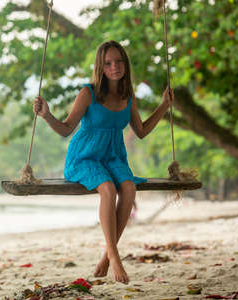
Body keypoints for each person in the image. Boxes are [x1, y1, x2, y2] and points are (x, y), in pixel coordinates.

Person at [33, 40, 173, 284]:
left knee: (129, 188)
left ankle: (107, 256)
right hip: (84, 157)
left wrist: (164, 106)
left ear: (125, 64)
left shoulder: (128, 96)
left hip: (113, 156)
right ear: (100, 66)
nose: (114, 66)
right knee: (107, 189)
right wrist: (46, 115)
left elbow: (140, 131)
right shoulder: (89, 93)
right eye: (108, 63)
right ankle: (114, 256)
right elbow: (66, 129)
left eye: (118, 61)